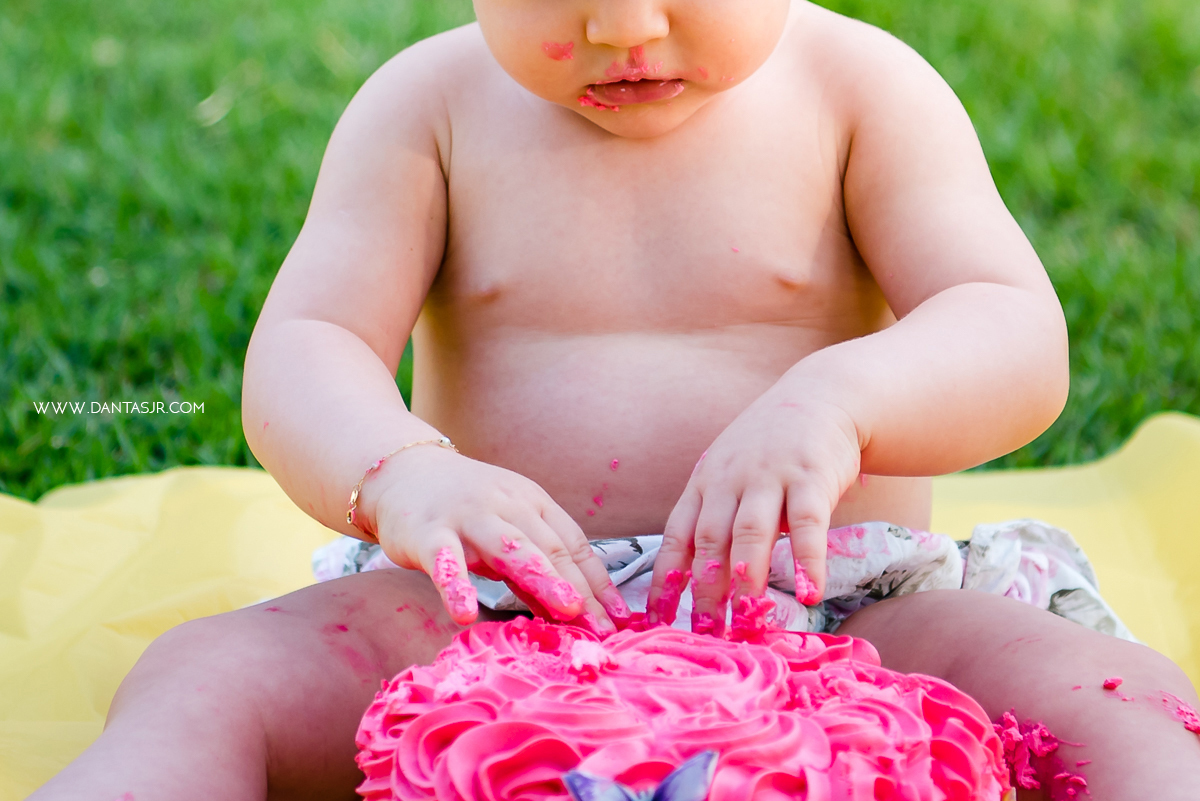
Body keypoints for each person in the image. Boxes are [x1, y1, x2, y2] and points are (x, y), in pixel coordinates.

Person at [32, 0, 1200, 799]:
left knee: (1099, 696)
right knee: (208, 678)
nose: (624, 26)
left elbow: (1013, 331)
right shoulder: (428, 108)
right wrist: (397, 469)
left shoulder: (860, 90)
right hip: (496, 611)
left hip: (840, 607)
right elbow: (310, 343)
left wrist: (841, 399)